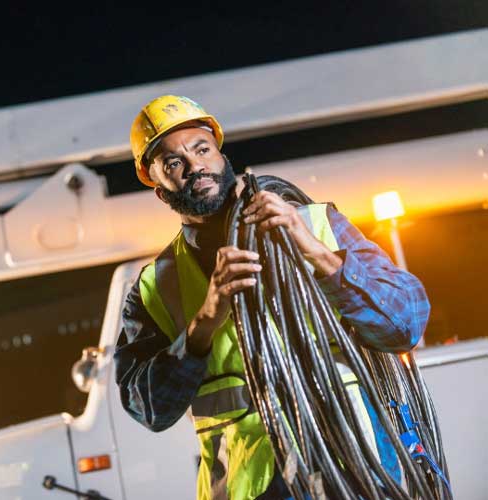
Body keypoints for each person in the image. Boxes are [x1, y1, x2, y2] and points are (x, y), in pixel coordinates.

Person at [113, 95, 430, 500]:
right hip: (256, 490)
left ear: (221, 155)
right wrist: (204, 323)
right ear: (159, 187)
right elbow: (148, 409)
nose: (195, 166)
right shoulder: (154, 287)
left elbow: (405, 324)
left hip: (360, 474)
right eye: (174, 163)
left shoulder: (316, 224)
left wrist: (315, 252)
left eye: (202, 149)